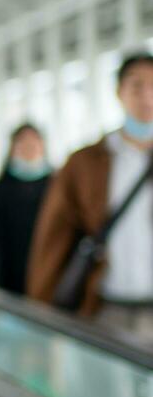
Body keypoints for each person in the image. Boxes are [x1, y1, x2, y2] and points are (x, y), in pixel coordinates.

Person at [29, 52, 153, 333]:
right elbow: (55, 235)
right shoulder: (86, 162)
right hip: (102, 305)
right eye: (137, 86)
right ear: (119, 92)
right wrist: (41, 305)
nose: (147, 96)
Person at [0, 123, 53, 294]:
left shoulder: (56, 185)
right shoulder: (1, 188)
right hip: (12, 272)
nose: (29, 147)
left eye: (34, 141)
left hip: (49, 268)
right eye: (23, 142)